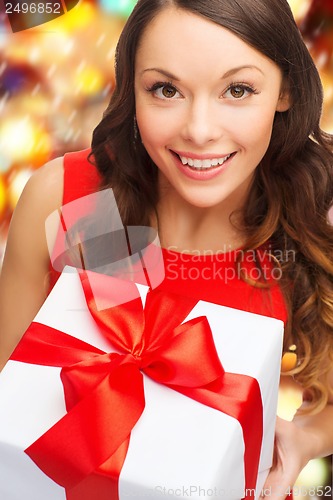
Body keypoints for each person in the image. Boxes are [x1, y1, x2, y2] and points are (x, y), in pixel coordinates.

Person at [0, 0, 333, 498]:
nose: (199, 131)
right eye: (165, 89)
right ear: (131, 88)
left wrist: (306, 438)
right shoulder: (69, 199)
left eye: (237, 90)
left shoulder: (314, 215)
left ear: (285, 89)